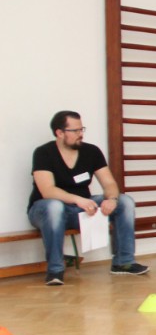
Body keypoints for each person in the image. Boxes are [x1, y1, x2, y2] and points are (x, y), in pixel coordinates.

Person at [27, 111, 149, 286]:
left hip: (81, 209)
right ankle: (55, 270)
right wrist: (78, 199)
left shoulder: (91, 151)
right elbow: (48, 191)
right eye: (75, 130)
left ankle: (123, 262)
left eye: (81, 129)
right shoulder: (43, 153)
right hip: (46, 210)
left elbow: (109, 183)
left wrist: (112, 199)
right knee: (54, 206)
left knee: (125, 202)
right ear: (59, 132)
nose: (80, 134)